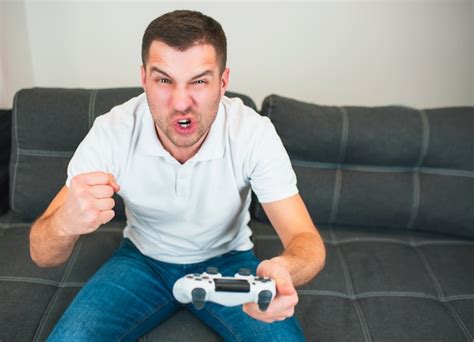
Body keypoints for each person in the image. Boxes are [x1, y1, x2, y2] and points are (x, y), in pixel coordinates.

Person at [29, 10, 326, 341]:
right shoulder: (112, 132)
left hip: (228, 261)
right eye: (163, 80)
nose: (181, 102)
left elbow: (306, 240)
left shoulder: (252, 133)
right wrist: (63, 225)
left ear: (223, 82)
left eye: (198, 81)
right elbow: (41, 253)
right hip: (142, 261)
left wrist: (285, 270)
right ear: (144, 79)